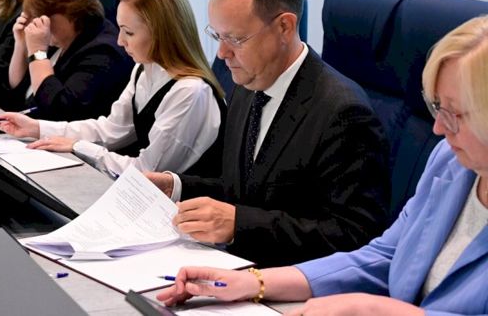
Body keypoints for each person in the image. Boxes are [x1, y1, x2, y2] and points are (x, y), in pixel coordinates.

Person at [157, 16, 488, 316]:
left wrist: (375, 308)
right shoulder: (450, 161)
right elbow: (385, 255)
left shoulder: (341, 109)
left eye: (454, 114)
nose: (438, 129)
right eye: (437, 108)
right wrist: (253, 282)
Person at [146, 0, 390, 268]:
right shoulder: (249, 84)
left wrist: (239, 225)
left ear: (285, 27)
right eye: (217, 36)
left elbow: (353, 236)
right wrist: (176, 186)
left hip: (288, 281)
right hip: (235, 268)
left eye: (235, 39)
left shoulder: (343, 113)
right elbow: (244, 189)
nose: (221, 54)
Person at [0, 0, 226, 177]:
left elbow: (148, 171)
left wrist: (78, 147)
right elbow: (111, 130)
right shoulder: (144, 69)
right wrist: (37, 128)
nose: (120, 41)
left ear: (161, 34)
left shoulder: (190, 92)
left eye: (129, 32)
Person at [6, 0, 134, 118]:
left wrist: (37, 53)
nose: (37, 23)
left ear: (70, 11)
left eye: (41, 16)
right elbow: (18, 89)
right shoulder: (61, 37)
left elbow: (59, 110)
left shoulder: (103, 52)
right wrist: (21, 44)